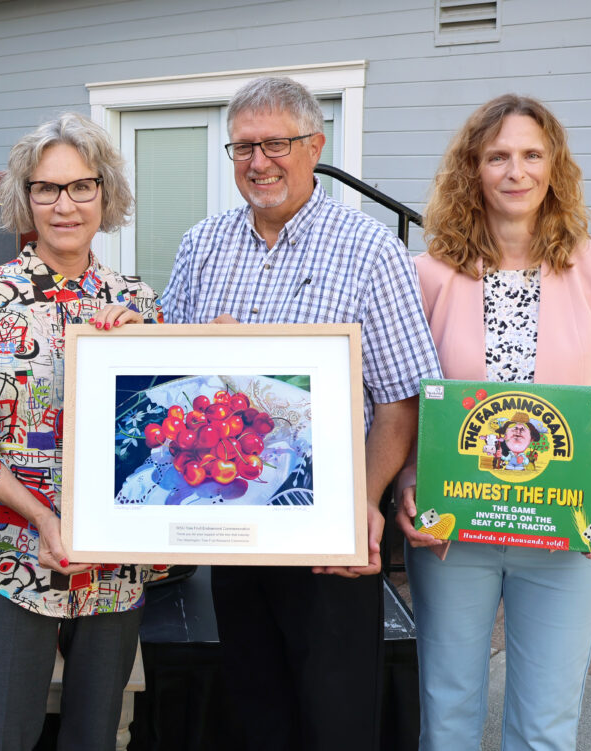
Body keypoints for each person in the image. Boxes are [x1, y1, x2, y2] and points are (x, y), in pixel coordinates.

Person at [160, 76, 442, 750]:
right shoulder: (202, 245)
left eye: (277, 143)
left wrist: (360, 505)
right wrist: (189, 348)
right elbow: (164, 369)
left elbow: (402, 397)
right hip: (229, 521)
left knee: (335, 714)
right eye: (244, 147)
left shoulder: (369, 248)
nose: (259, 161)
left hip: (325, 535)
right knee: (256, 703)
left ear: (315, 146)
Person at [395, 94, 591, 750]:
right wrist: (405, 482)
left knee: (546, 723)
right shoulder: (428, 274)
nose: (516, 171)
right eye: (497, 155)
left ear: (554, 167)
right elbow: (408, 402)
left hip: (566, 524)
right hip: (455, 526)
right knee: (447, 712)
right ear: (471, 169)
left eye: (532, 154)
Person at [0, 112, 166, 751]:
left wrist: (150, 352)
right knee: (2, 737)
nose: (64, 205)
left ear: (105, 194)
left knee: (95, 739)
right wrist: (44, 519)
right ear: (25, 198)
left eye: (81, 187)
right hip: (10, 553)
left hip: (114, 566)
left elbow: (162, 436)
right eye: (46, 189)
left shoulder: (138, 303)